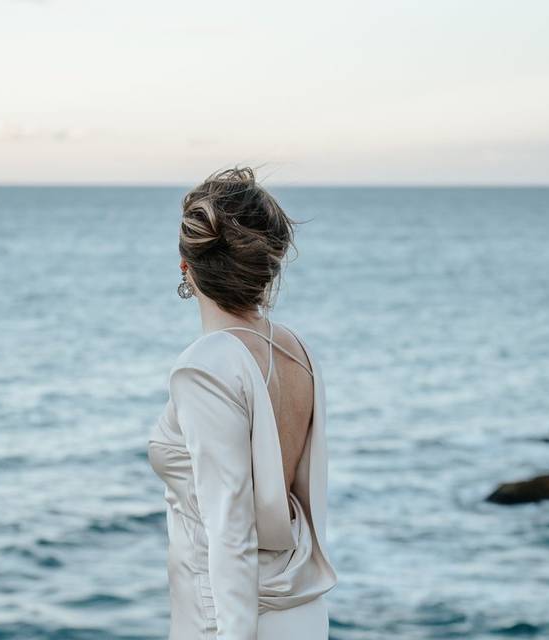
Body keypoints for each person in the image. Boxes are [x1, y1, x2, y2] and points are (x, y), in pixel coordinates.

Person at [148, 167, 337, 639]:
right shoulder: (297, 349)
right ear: (267, 266)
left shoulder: (207, 365)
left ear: (185, 267)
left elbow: (230, 533)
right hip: (302, 612)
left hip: (230, 620)